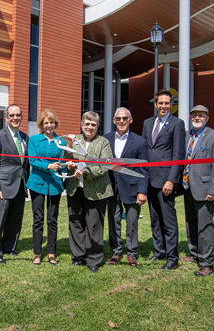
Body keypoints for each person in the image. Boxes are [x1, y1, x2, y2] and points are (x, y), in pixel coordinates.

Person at [141, 89, 185, 270]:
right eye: (161, 103)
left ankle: (172, 258)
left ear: (171, 104)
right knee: (154, 219)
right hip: (150, 179)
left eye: (167, 103)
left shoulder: (177, 124)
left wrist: (171, 180)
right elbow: (144, 150)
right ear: (155, 104)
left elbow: (178, 154)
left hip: (165, 181)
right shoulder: (147, 123)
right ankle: (159, 252)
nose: (164, 106)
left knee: (168, 220)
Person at [64, 111, 113, 273]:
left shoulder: (103, 142)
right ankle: (78, 256)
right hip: (75, 188)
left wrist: (85, 170)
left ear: (97, 126)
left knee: (94, 226)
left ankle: (94, 259)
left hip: (96, 191)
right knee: (75, 223)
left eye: (93, 124)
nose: (89, 127)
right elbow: (66, 159)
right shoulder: (75, 140)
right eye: (87, 124)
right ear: (81, 124)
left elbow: (105, 165)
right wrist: (69, 151)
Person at [180, 105, 214, 276]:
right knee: (191, 222)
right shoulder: (187, 135)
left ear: (207, 119)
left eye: (201, 116)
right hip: (188, 187)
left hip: (206, 189)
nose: (197, 118)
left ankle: (207, 263)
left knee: (205, 225)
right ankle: (195, 253)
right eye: (194, 115)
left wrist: (213, 189)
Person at [103, 108, 149, 267]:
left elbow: (144, 168)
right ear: (114, 120)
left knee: (132, 222)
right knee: (113, 221)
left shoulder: (140, 141)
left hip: (132, 188)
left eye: (125, 118)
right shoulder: (105, 139)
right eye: (118, 119)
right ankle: (115, 251)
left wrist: (142, 191)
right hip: (111, 188)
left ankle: (131, 253)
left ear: (130, 120)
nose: (121, 121)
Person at [0, 104, 30, 264]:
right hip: (3, 186)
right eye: (11, 115)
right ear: (6, 118)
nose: (15, 118)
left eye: (18, 115)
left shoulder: (25, 138)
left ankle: (9, 248)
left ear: (21, 117)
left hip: (19, 185)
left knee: (14, 221)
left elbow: (25, 164)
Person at [26, 109, 65, 265]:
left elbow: (62, 161)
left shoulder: (61, 141)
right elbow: (33, 160)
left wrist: (64, 165)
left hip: (55, 184)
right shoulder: (34, 140)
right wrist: (48, 165)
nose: (49, 125)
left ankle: (51, 253)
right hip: (37, 183)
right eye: (46, 122)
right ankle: (37, 253)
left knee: (52, 219)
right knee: (38, 219)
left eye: (51, 122)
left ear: (55, 124)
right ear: (41, 124)